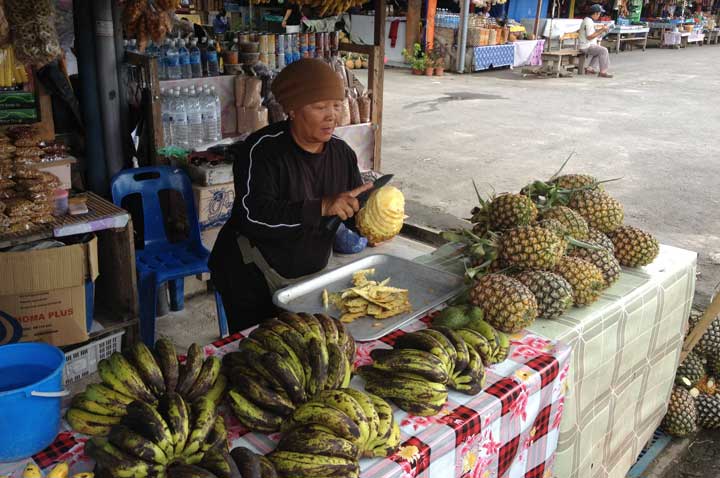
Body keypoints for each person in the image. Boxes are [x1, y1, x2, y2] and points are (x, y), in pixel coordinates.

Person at [209, 59, 370, 333]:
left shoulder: (342, 155)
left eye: (336, 105)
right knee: (263, 354)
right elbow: (254, 217)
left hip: (308, 276)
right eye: (320, 107)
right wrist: (321, 207)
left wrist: (371, 215)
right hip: (251, 275)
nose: (331, 116)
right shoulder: (260, 151)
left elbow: (350, 210)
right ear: (292, 110)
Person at [579, 4, 613, 78]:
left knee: (599, 50)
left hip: (587, 44)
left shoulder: (589, 20)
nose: (599, 15)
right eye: (599, 14)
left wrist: (601, 31)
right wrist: (601, 30)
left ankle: (590, 68)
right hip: (586, 46)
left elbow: (591, 34)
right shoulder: (588, 21)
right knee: (604, 50)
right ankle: (603, 72)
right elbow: (589, 37)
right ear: (595, 13)